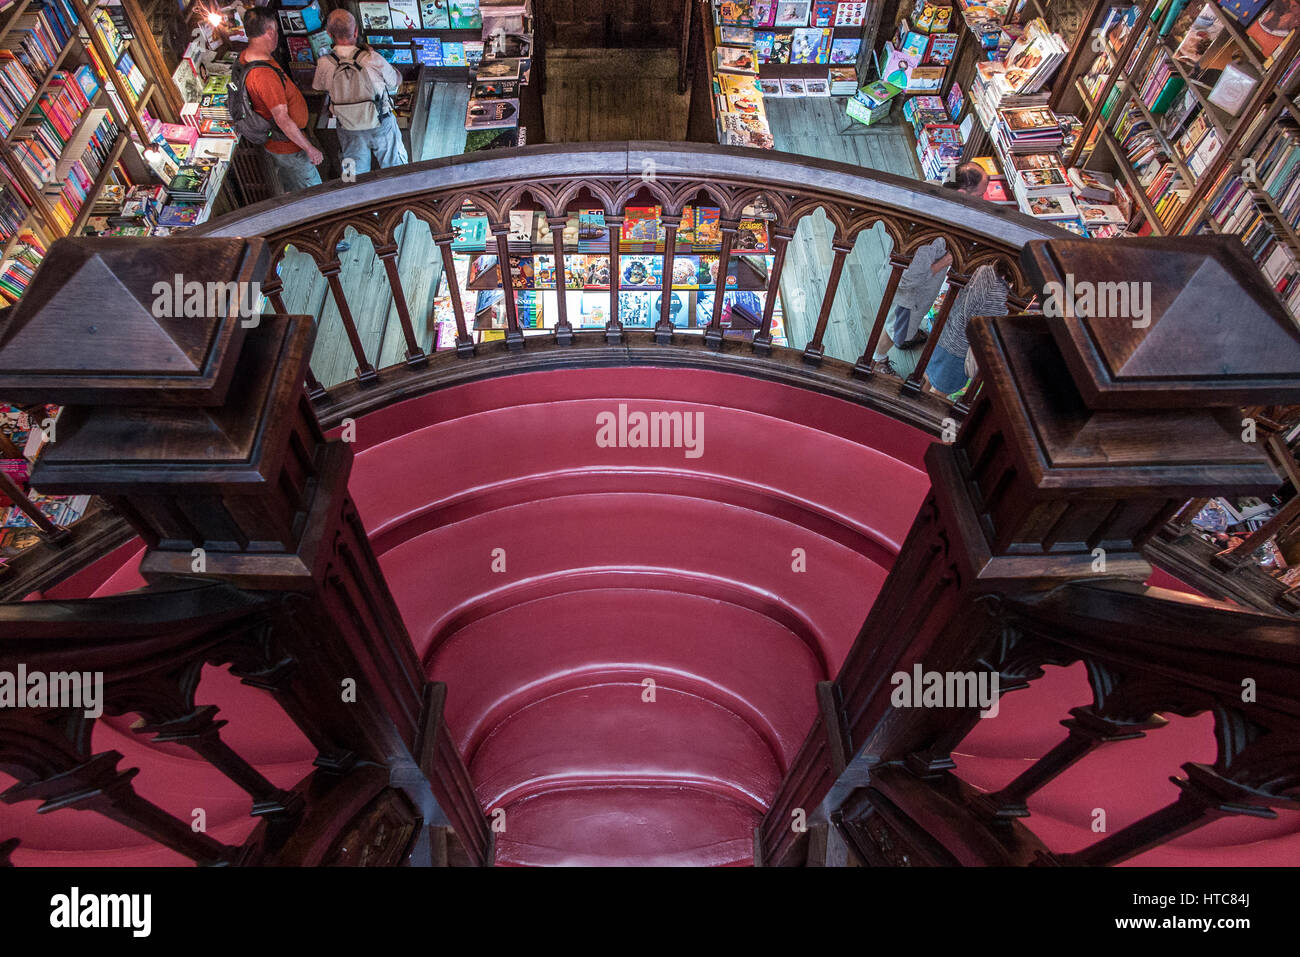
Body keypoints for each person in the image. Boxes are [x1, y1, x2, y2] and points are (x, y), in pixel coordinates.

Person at [869, 163, 988, 375]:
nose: (983, 199)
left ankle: (908, 333)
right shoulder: (929, 235)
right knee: (896, 327)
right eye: (980, 195)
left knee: (900, 323)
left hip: (904, 282)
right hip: (910, 295)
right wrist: (948, 259)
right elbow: (908, 278)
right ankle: (878, 359)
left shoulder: (933, 188)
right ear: (962, 193)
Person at [313, 10, 408, 174]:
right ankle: (401, 190)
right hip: (380, 122)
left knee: (353, 174)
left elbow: (318, 87)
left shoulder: (324, 63)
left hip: (347, 127)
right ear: (356, 31)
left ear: (329, 34)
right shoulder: (372, 58)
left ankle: (353, 190)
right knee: (396, 169)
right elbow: (396, 81)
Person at [239, 9, 323, 193]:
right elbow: (282, 119)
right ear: (270, 32)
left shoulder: (249, 56)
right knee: (314, 192)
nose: (277, 35)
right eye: (276, 30)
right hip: (289, 147)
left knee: (294, 187)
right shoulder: (264, 76)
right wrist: (309, 148)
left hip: (281, 145)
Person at [924, 262, 1012, 397]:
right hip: (960, 350)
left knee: (928, 376)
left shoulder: (984, 269)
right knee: (939, 392)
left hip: (947, 333)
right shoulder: (1000, 293)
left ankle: (915, 399)